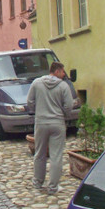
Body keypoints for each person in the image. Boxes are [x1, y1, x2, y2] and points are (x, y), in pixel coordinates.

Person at [26, 61, 73, 195]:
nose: (64, 75)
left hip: (41, 122)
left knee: (39, 153)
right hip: (57, 122)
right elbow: (69, 105)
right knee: (56, 155)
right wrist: (63, 114)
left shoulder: (37, 83)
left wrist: (38, 111)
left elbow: (29, 101)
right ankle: (53, 187)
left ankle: (37, 182)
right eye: (63, 71)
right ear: (57, 71)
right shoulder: (63, 86)